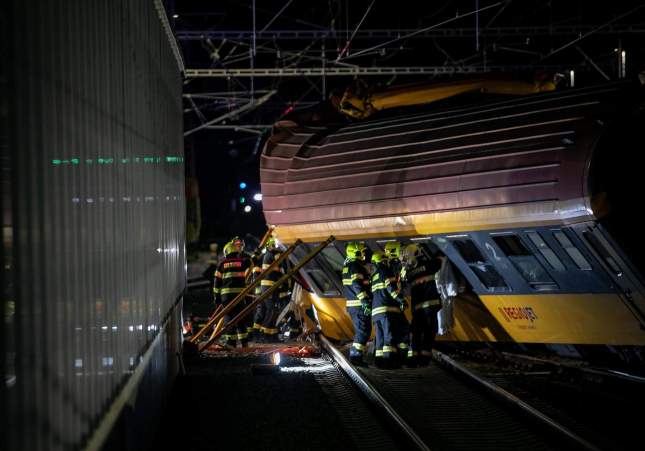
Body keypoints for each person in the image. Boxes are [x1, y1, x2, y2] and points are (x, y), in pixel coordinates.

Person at [400, 243, 443, 366]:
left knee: (417, 333)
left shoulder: (409, 273)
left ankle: (415, 358)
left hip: (417, 309)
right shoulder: (429, 265)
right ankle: (424, 359)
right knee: (429, 332)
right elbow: (440, 259)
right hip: (430, 306)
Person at [370, 251, 409, 369]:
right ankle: (389, 362)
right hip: (387, 310)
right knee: (389, 337)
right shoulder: (386, 271)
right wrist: (402, 300)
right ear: (383, 261)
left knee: (380, 338)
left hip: (376, 313)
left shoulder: (374, 276)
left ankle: (379, 361)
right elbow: (391, 289)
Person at [213, 237, 253, 348]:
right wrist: (246, 254)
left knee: (229, 319)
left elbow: (216, 283)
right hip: (239, 296)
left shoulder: (221, 264)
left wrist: (216, 297)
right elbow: (250, 264)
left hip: (226, 297)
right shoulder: (242, 262)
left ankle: (231, 343)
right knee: (240, 318)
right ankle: (244, 343)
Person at [342, 242, 372, 365]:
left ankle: (357, 356)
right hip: (358, 305)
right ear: (356, 253)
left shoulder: (348, 266)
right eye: (362, 252)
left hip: (354, 305)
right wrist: (365, 301)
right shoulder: (355, 266)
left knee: (364, 330)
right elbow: (357, 286)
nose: (364, 254)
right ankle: (355, 357)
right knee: (363, 331)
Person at [258, 237, 289, 342]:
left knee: (274, 311)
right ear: (269, 246)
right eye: (274, 246)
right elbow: (283, 264)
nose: (275, 248)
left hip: (272, 287)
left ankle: (272, 335)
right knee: (271, 310)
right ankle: (264, 334)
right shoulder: (272, 255)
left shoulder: (270, 254)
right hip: (268, 288)